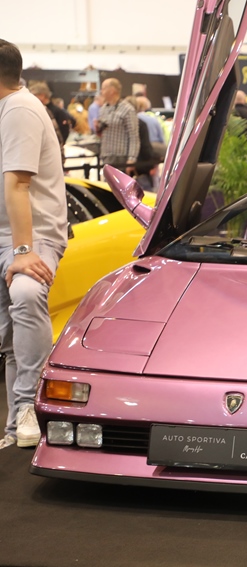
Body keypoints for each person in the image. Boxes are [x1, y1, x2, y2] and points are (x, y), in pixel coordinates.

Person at [0, 39, 68, 449]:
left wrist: (23, 251)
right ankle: (14, 429)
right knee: (10, 338)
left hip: (29, 235)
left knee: (26, 294)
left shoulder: (20, 109)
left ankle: (29, 405)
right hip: (6, 236)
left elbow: (19, 184)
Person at [96, 78, 139, 174]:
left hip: (121, 157)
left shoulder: (127, 109)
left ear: (112, 90)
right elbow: (103, 132)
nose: (101, 91)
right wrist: (98, 128)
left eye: (103, 88)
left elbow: (134, 136)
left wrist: (131, 159)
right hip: (106, 155)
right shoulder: (103, 109)